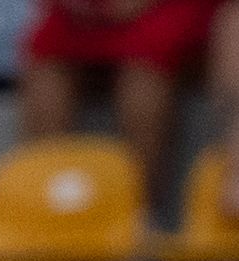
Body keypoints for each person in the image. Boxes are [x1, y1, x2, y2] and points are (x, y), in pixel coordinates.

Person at [20, 0, 198, 224]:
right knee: (45, 73)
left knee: (144, 81)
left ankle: (139, 213)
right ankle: (45, 204)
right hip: (82, 16)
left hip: (163, 12)